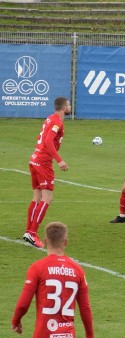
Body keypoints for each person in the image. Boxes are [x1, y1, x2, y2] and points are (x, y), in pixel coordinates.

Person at [12, 222, 96, 338]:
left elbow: (23, 304)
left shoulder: (38, 267)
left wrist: (16, 320)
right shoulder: (78, 270)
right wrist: (90, 335)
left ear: (45, 241)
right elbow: (85, 307)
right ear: (65, 242)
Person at [22, 97, 71, 249]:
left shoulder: (50, 118)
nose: (70, 106)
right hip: (43, 162)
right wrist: (59, 160)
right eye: (69, 104)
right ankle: (33, 233)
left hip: (35, 159)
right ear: (64, 108)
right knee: (46, 198)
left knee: (37, 197)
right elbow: (48, 141)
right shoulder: (57, 121)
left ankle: (28, 232)